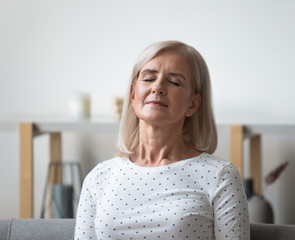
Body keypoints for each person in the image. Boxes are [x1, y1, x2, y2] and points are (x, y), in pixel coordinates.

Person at [74, 40, 250, 239]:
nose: (157, 87)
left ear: (193, 103)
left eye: (174, 82)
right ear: (133, 94)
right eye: (149, 79)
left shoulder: (220, 176)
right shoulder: (99, 178)